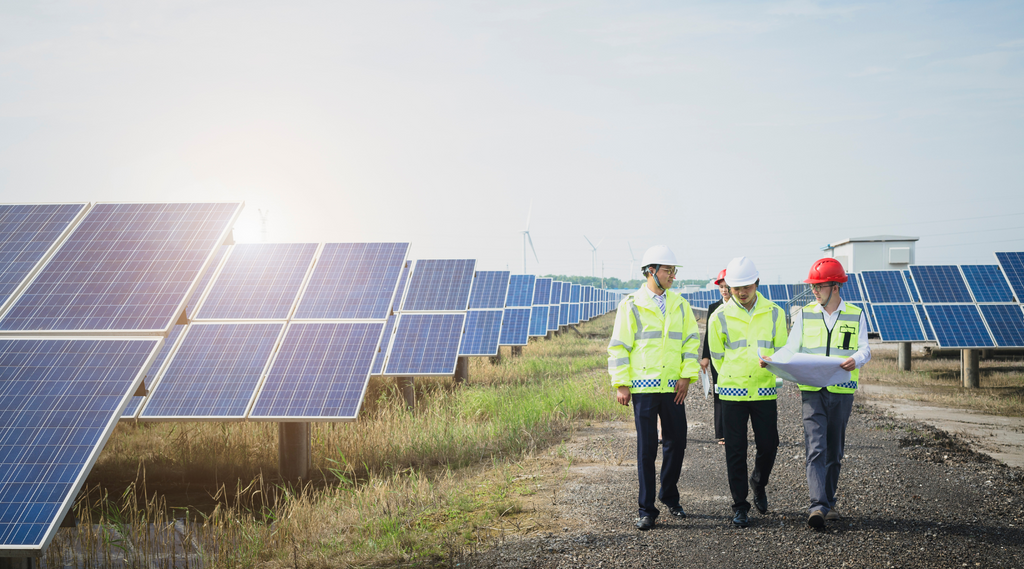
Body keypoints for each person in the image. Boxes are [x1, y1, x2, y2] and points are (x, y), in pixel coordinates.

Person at [764, 258, 871, 528]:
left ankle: (830, 501)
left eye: (818, 286)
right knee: (815, 448)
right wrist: (773, 359)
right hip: (811, 391)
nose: (814, 291)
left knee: (834, 450)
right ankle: (817, 506)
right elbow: (790, 348)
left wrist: (856, 360)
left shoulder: (855, 314)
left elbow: (865, 348)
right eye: (813, 286)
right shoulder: (806, 314)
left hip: (841, 391)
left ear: (835, 286)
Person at [608, 245, 701, 531]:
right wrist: (621, 383)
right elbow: (619, 347)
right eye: (668, 270)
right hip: (644, 388)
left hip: (674, 386)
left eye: (674, 270)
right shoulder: (631, 305)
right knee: (647, 449)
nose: (673, 275)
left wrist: (687, 376)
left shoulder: (680, 304)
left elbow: (690, 342)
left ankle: (668, 494)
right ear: (651, 271)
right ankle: (647, 509)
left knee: (678, 442)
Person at [706, 256, 786, 527]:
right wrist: (733, 375)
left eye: (746, 287)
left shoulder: (775, 312)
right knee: (736, 452)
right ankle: (740, 505)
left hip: (764, 390)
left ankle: (758, 482)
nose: (741, 292)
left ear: (757, 283)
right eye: (736, 287)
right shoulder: (719, 316)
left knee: (769, 445)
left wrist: (771, 363)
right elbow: (717, 357)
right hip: (732, 393)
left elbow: (782, 350)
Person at [701, 269, 730, 444]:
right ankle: (722, 433)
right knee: (719, 393)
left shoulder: (740, 307)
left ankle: (734, 430)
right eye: (721, 287)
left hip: (735, 357)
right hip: (717, 357)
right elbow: (708, 335)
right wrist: (705, 357)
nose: (724, 290)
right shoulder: (713, 308)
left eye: (727, 287)